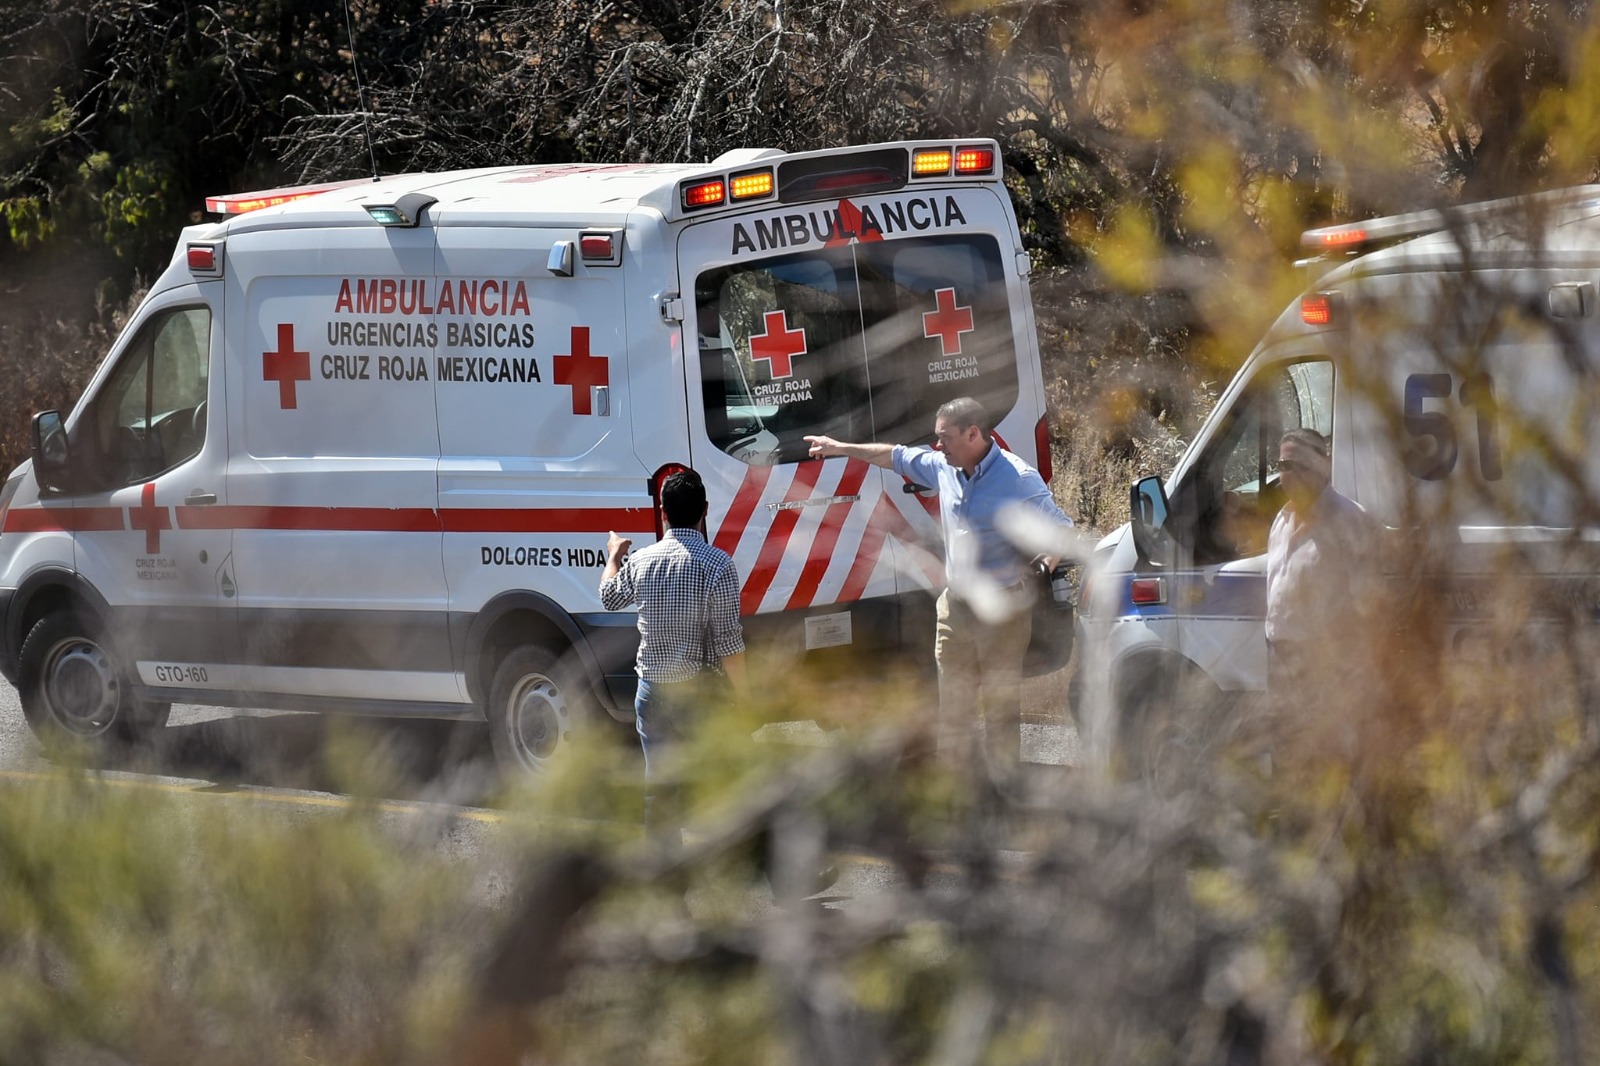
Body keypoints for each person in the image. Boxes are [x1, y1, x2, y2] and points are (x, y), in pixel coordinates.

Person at [804, 397, 1073, 773]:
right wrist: (840, 448)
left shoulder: (1017, 478)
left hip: (1003, 611)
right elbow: (893, 456)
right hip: (955, 608)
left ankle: (1005, 784)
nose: (937, 446)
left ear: (973, 434)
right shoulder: (943, 466)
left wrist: (1044, 567)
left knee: (1000, 705)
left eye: (944, 437)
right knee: (953, 704)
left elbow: (1061, 528)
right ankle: (958, 784)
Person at [600, 468, 746, 847]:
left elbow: (609, 597)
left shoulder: (643, 561)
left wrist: (614, 556)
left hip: (650, 690)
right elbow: (729, 643)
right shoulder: (718, 564)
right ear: (706, 510)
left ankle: (668, 889)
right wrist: (748, 698)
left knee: (660, 790)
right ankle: (774, 877)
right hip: (698, 693)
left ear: (661, 511)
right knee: (730, 785)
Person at [1264, 428, 1382, 694]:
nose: (1289, 474)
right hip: (1278, 658)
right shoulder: (1281, 521)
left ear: (1323, 466)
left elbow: (1369, 603)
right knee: (1283, 735)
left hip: (1325, 664)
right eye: (1284, 465)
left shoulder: (1350, 521)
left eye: (1300, 465)